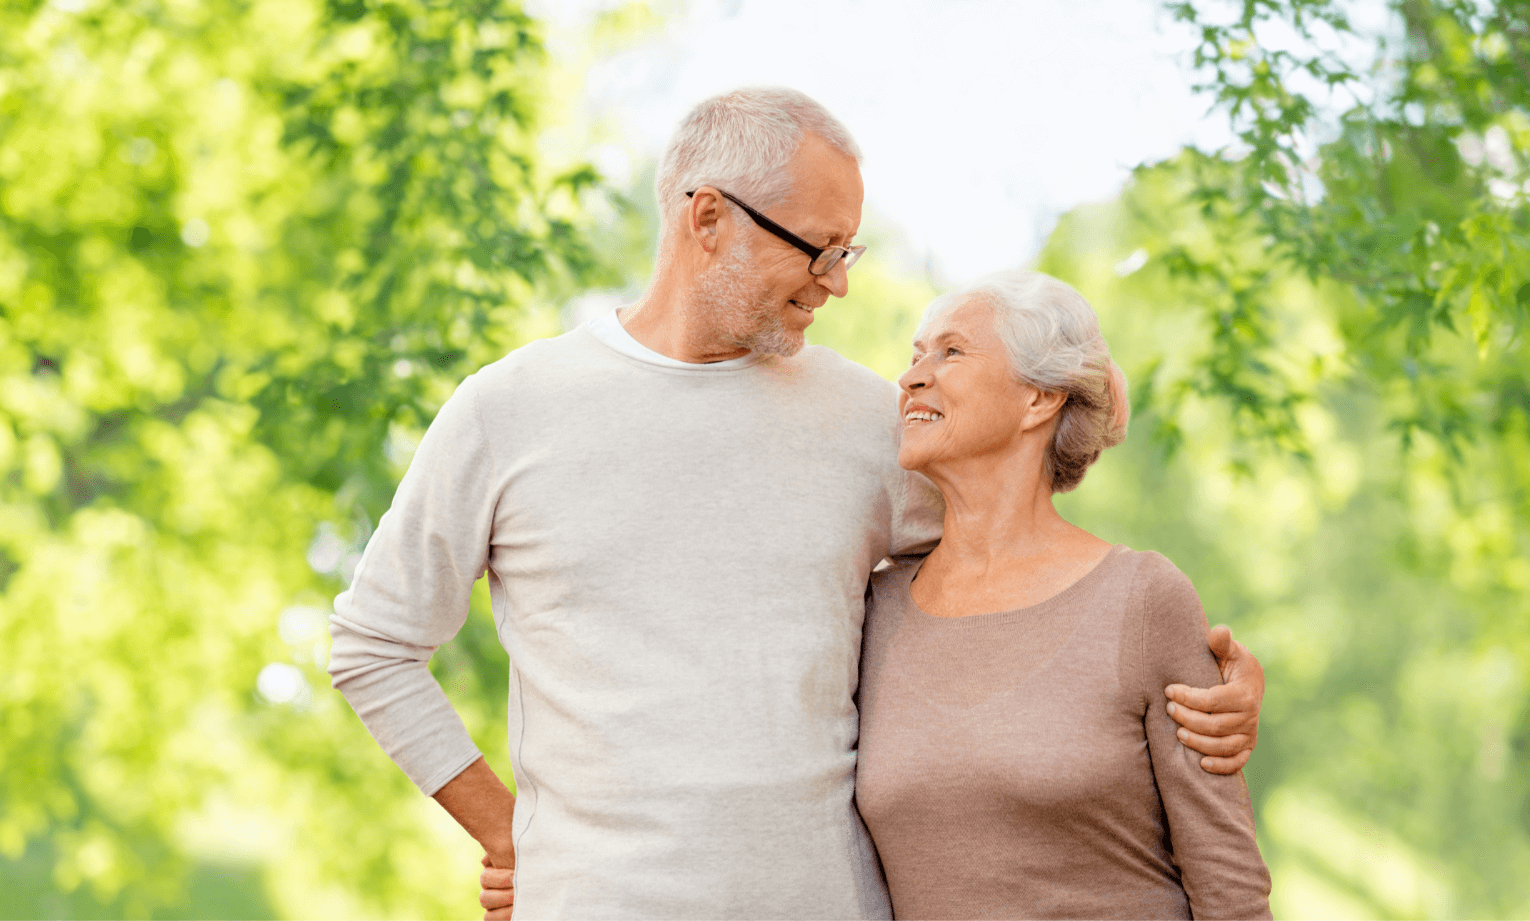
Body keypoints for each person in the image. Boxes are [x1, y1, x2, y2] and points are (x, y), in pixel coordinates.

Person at [327, 88, 1265, 921]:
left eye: (848, 250)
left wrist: (1201, 681)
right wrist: (510, 834)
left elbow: (1026, 571)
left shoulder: (869, 421)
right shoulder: (510, 409)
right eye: (818, 248)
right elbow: (375, 645)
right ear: (706, 221)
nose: (840, 281)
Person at [855, 270, 1271, 919]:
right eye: (914, 355)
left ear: (1038, 400)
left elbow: (1229, 880)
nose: (910, 378)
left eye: (951, 351)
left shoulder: (1141, 599)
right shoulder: (873, 609)